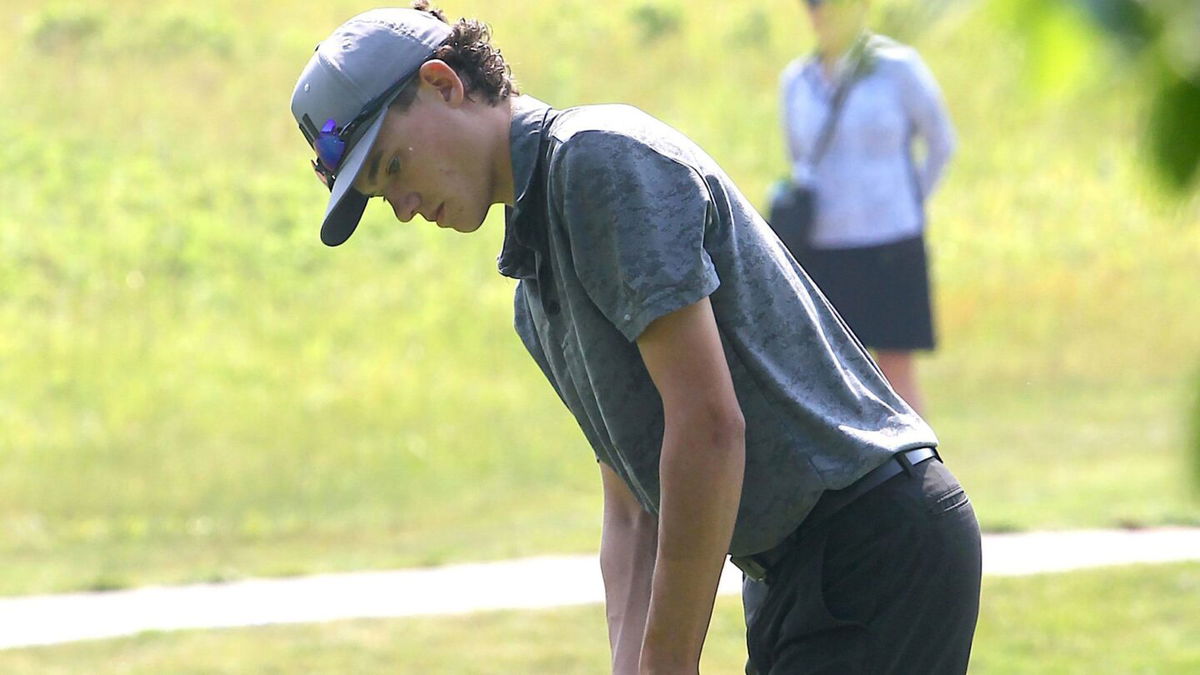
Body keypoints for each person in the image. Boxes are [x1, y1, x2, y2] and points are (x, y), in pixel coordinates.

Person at [289, 4, 980, 673]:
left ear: (444, 84)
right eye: (383, 197)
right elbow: (632, 515)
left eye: (393, 166)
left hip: (873, 543)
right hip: (792, 574)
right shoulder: (535, 296)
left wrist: (668, 660)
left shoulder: (597, 163)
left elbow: (709, 427)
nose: (403, 207)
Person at [778, 0, 956, 414]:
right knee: (834, 371)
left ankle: (920, 475)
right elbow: (799, 160)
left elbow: (940, 144)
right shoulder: (797, 81)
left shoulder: (898, 68)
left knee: (896, 369)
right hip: (823, 246)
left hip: (890, 241)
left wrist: (907, 203)